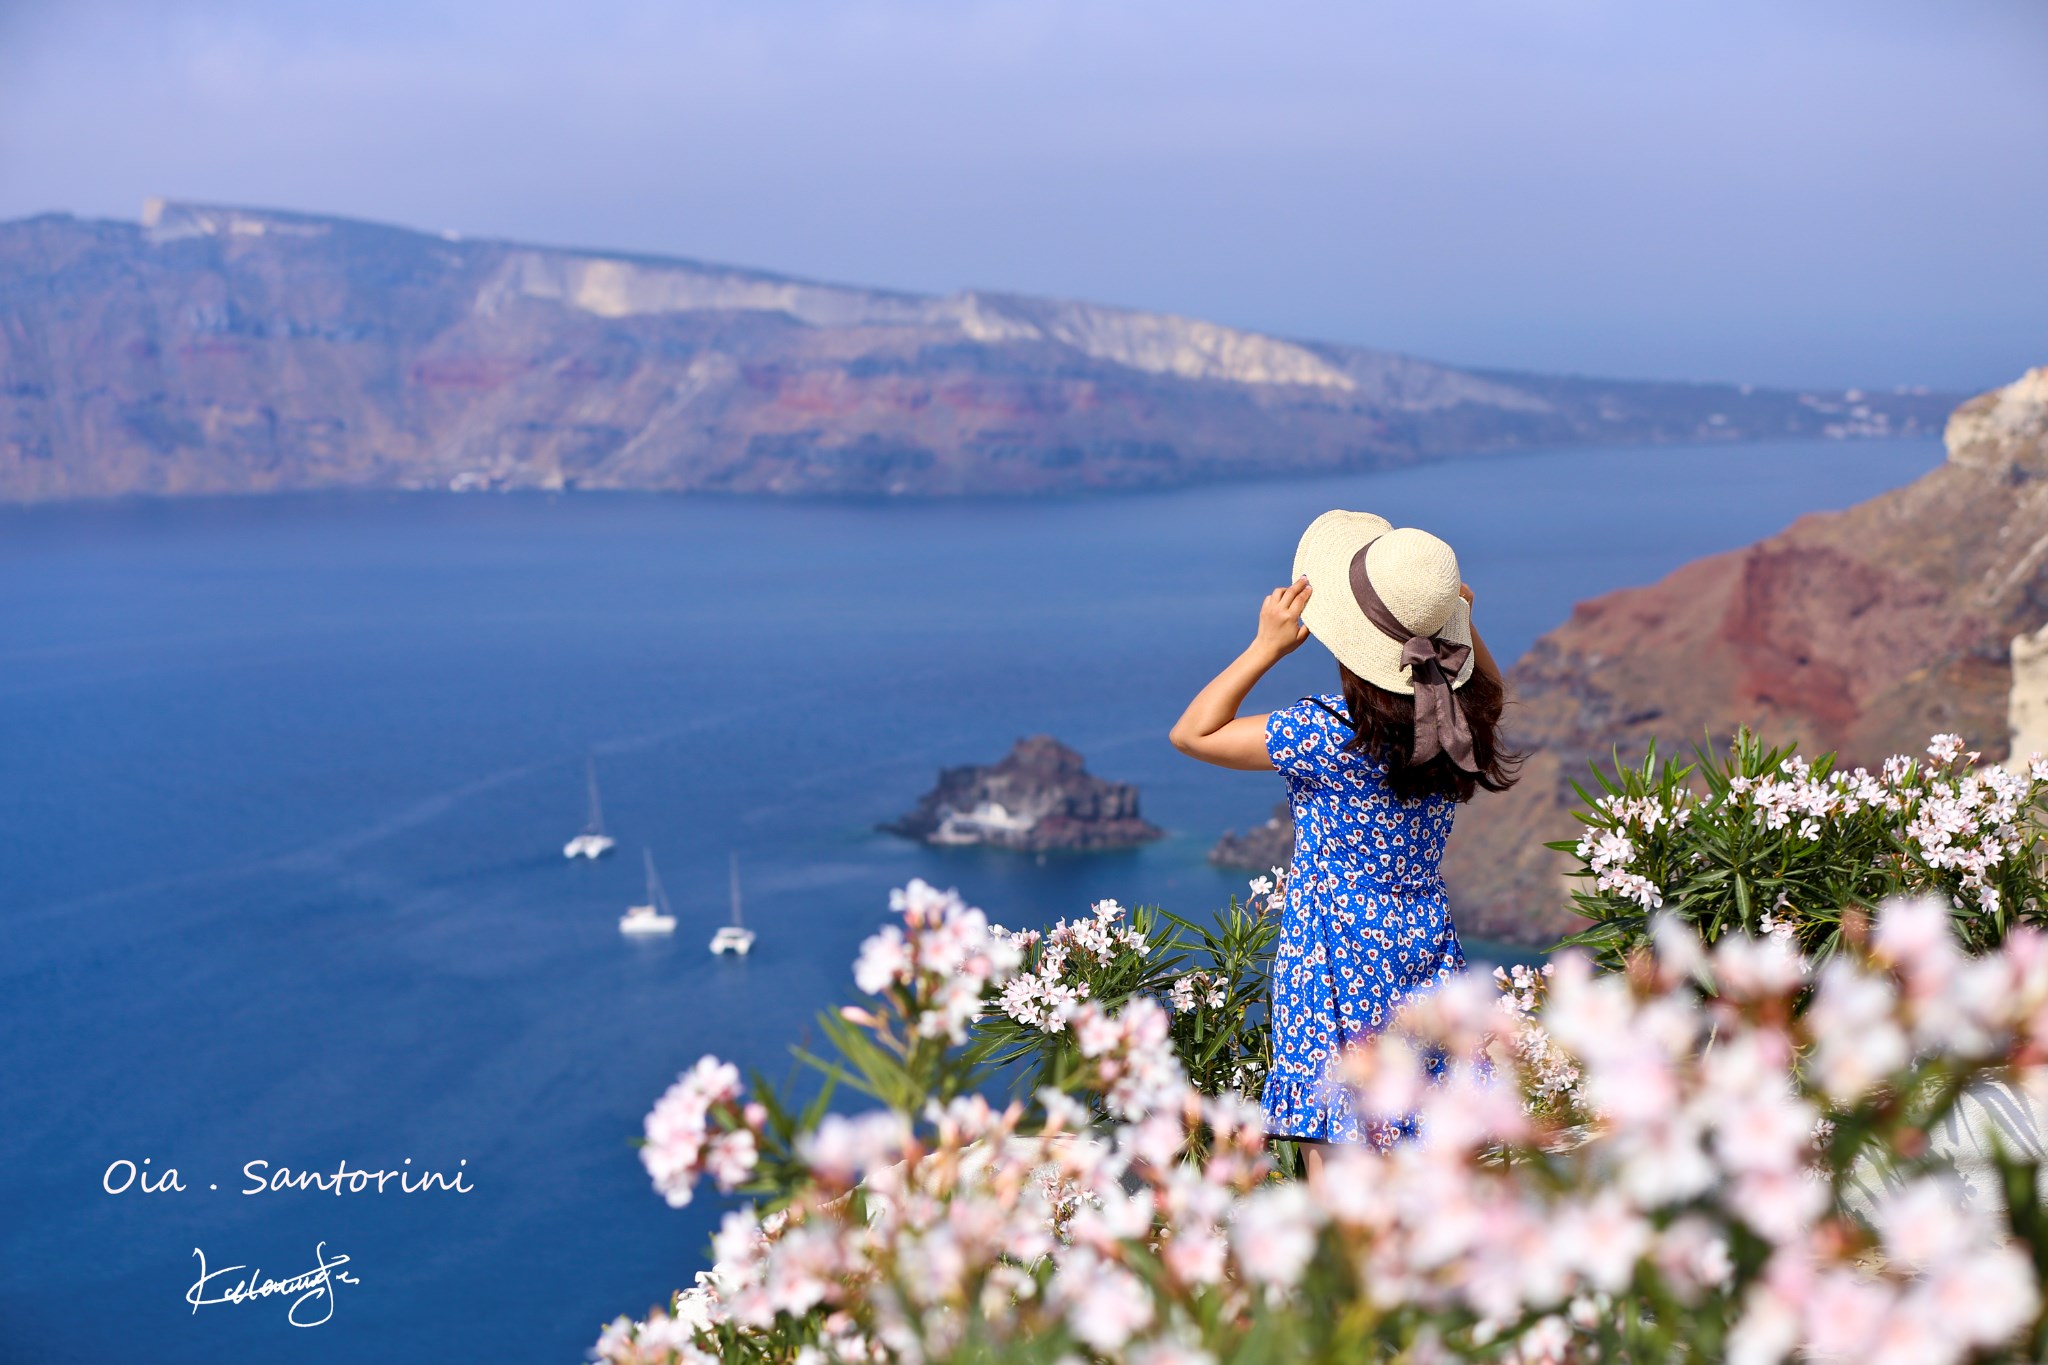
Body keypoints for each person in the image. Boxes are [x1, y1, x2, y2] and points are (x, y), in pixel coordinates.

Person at [1168, 511, 1519, 1182]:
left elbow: (1194, 733)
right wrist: (1460, 625)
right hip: (1425, 950)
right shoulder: (1456, 723)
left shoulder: (1324, 735)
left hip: (1329, 957)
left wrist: (1265, 647)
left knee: (1340, 1160)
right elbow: (1488, 690)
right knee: (1425, 1153)